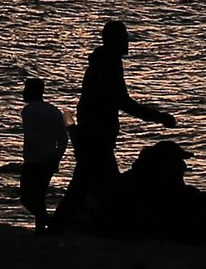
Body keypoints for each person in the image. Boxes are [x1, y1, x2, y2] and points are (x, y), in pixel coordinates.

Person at [58, 21, 177, 223]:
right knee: (108, 190)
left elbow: (97, 103)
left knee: (82, 187)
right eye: (122, 37)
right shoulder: (109, 64)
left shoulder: (103, 62)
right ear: (111, 40)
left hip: (95, 136)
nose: (127, 41)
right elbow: (123, 101)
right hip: (98, 138)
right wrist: (159, 117)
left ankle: (54, 228)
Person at [21, 77, 69, 233]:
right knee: (39, 197)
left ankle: (49, 223)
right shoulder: (54, 111)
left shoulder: (28, 110)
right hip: (50, 160)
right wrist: (56, 156)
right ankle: (42, 228)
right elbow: (63, 137)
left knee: (27, 198)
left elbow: (30, 136)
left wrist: (46, 155)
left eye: (26, 89)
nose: (23, 93)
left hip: (34, 160)